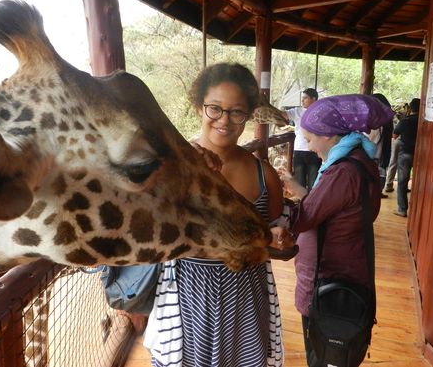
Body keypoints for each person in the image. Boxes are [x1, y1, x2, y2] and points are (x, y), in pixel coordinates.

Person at [143, 62, 287, 367]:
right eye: (215, 109)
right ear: (199, 108)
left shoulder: (264, 174)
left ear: (248, 115)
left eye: (236, 112)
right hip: (189, 295)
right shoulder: (171, 167)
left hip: (246, 294)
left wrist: (279, 238)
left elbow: (275, 232)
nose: (225, 120)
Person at [270, 94, 393, 367]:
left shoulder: (342, 171)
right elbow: (328, 208)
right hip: (343, 274)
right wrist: (298, 188)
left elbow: (303, 218)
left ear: (328, 136)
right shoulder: (356, 160)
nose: (310, 146)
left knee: (324, 354)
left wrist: (267, 203)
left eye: (310, 139)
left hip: (329, 283)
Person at [280, 88, 322, 191]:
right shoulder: (297, 111)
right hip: (299, 150)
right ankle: (301, 205)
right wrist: (267, 105)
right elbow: (282, 114)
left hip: (315, 151)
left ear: (314, 99)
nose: (302, 100)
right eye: (302, 98)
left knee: (314, 183)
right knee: (299, 182)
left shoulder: (321, 111)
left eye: (305, 98)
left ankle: (313, 205)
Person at [393, 98, 420, 217]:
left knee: (402, 182)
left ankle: (402, 209)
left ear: (410, 108)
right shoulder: (425, 122)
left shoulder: (405, 121)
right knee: (420, 183)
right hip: (421, 155)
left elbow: (395, 135)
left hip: (405, 154)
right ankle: (417, 210)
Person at [369, 93, 394, 198]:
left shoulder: (376, 124)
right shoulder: (386, 121)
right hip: (380, 159)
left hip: (372, 159)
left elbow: (370, 141)